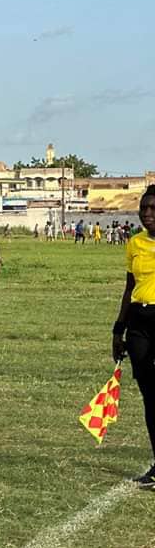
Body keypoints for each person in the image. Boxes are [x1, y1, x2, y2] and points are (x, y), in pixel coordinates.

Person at [113, 186, 155, 488]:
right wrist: (118, 329)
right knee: (150, 399)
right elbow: (130, 287)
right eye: (144, 208)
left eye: (153, 208)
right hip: (139, 324)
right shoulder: (134, 243)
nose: (147, 214)